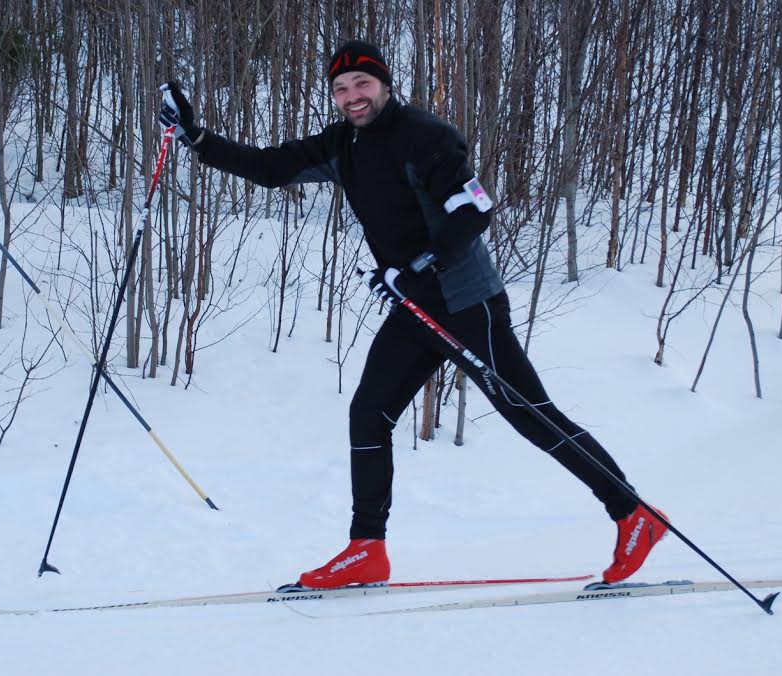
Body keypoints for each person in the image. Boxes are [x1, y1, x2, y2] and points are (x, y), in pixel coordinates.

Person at [159, 40, 667, 589]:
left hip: (467, 303)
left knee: (532, 415)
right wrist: (195, 136)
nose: (352, 96)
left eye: (362, 84)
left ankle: (633, 515)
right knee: (369, 414)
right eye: (341, 88)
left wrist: (418, 268)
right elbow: (268, 167)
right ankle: (366, 548)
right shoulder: (344, 145)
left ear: (384, 84)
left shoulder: (426, 137)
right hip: (417, 310)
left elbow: (473, 209)